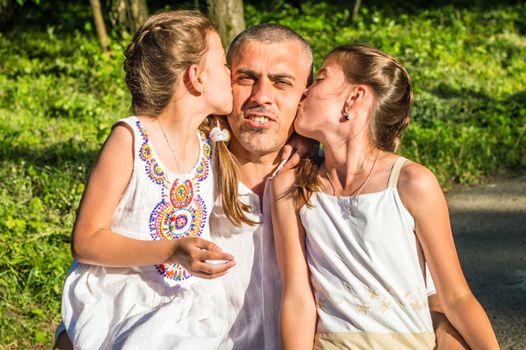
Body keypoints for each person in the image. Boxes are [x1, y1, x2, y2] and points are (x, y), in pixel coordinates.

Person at [55, 23, 468, 350]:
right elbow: (106, 280)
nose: (261, 97)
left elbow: (419, 294)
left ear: (305, 96)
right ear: (218, 83)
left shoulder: (330, 189)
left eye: (282, 83)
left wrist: (448, 340)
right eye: (245, 78)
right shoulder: (187, 169)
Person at [271, 44, 499, 349]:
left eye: (320, 79)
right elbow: (297, 298)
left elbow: (456, 297)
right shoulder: (291, 188)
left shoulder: (411, 183)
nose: (304, 92)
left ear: (354, 97)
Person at [60, 10, 247, 349]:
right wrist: (171, 250)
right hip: (123, 296)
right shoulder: (131, 139)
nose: (230, 73)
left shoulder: (211, 144)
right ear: (197, 77)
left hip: (186, 301)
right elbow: (85, 241)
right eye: (222, 64)